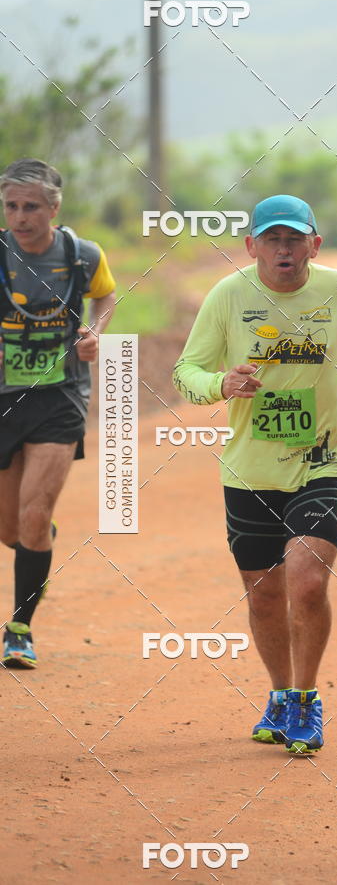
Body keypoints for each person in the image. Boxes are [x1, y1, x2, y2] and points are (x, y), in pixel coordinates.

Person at [173, 194, 337, 753]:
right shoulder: (228, 297)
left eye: (295, 238)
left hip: (321, 462)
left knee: (308, 580)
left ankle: (305, 700)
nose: (284, 249)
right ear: (251, 247)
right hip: (250, 469)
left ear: (314, 245)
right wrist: (219, 384)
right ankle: (278, 694)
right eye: (272, 239)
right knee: (265, 596)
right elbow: (186, 372)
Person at [0, 158, 116, 668]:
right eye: (10, 206)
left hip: (60, 396)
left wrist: (94, 334)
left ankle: (20, 628)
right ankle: (35, 542)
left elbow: (106, 297)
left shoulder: (82, 256)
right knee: (12, 530)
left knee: (34, 514)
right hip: (4, 398)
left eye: (30, 207)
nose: (19, 217)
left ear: (54, 208)